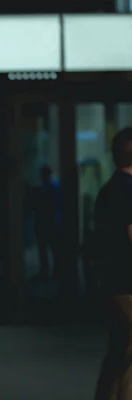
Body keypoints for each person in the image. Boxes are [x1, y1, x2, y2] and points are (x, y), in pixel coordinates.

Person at [93, 127, 132, 400]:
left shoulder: (109, 189)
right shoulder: (128, 190)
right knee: (124, 356)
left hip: (116, 282)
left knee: (120, 352)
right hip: (128, 285)